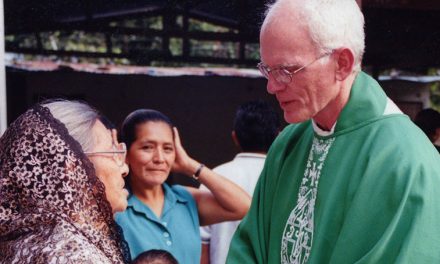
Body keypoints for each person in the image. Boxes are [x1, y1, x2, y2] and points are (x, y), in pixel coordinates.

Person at [227, 0, 440, 263]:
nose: (272, 86)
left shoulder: (406, 161)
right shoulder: (288, 144)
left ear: (342, 63)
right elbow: (248, 247)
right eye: (267, 69)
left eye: (286, 70)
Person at [0, 100, 131, 263]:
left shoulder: (25, 245)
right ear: (72, 168)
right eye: (113, 154)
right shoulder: (77, 257)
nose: (125, 168)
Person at [115, 109, 251, 263]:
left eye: (167, 148)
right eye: (147, 147)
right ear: (125, 153)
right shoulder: (117, 207)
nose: (159, 158)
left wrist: (189, 165)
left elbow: (244, 206)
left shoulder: (185, 199)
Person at [200, 100, 280, 264]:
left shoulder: (216, 176)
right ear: (279, 135)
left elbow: (202, 246)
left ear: (235, 137)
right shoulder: (286, 176)